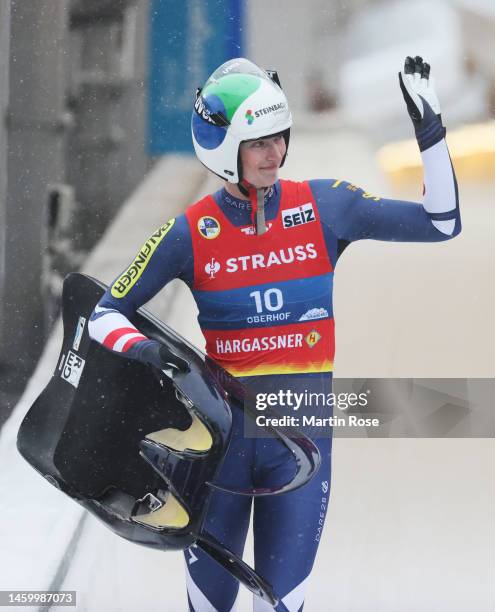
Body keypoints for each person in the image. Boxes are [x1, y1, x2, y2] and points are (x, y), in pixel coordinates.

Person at [88, 56, 460, 611]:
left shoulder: (327, 205)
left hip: (301, 449)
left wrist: (429, 131)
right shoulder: (191, 231)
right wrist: (147, 354)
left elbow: (441, 222)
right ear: (224, 149)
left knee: (282, 606)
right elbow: (102, 313)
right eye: (258, 143)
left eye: (279, 138)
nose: (275, 153)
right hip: (219, 453)